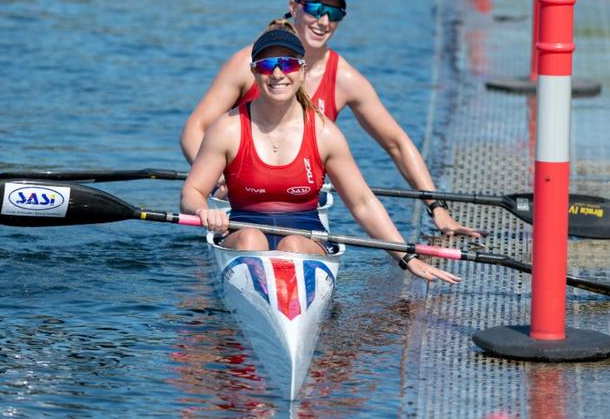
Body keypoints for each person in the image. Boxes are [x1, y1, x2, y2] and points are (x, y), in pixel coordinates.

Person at [180, 0, 483, 238]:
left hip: (302, 197)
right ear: (293, 8)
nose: (323, 21)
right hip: (243, 196)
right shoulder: (253, 64)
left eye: (334, 14)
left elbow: (397, 144)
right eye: (314, 8)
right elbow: (196, 128)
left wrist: (437, 208)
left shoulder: (345, 79)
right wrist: (218, 178)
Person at [180, 22, 461, 284]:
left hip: (305, 238)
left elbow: (362, 202)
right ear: (254, 72)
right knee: (252, 239)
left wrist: (405, 256)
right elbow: (192, 192)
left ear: (302, 71)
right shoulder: (227, 129)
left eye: (288, 64)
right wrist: (203, 211)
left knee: (292, 246)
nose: (278, 73)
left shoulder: (325, 134)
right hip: (242, 235)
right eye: (267, 65)